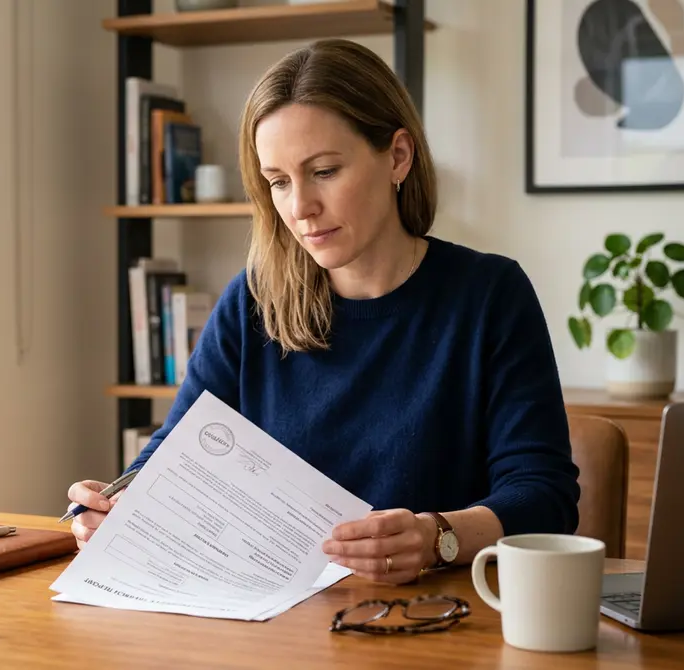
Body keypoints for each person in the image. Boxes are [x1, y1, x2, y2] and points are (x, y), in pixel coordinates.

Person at [67, 38, 580, 585]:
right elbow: (175, 455)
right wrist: (115, 504)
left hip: (435, 617)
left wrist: (438, 536)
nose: (299, 207)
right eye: (279, 182)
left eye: (325, 171)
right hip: (276, 619)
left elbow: (545, 498)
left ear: (398, 157)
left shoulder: (489, 295)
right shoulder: (252, 302)